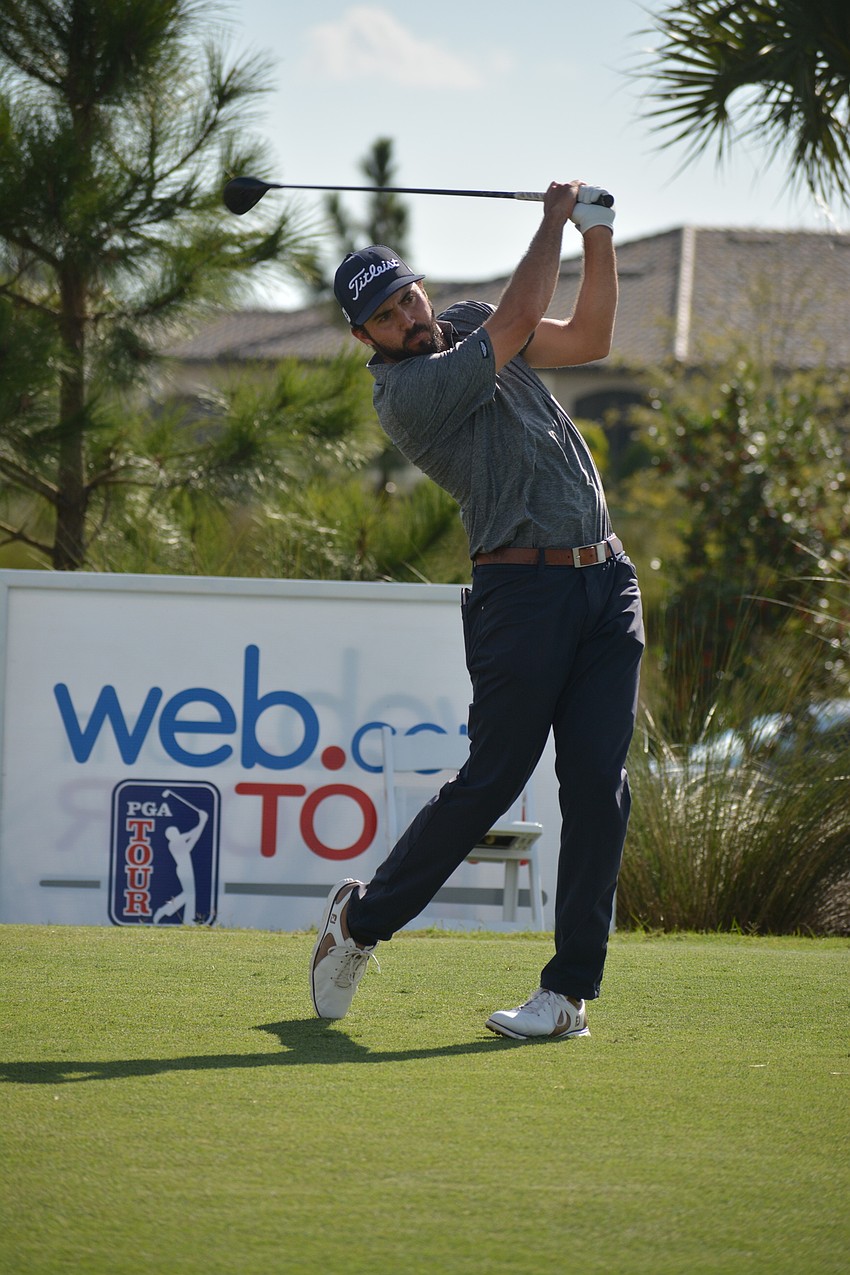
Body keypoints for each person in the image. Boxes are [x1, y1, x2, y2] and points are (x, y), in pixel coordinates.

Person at [310, 179, 644, 1041]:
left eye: (407, 295)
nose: (408, 316)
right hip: (521, 595)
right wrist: (551, 221)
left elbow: (591, 337)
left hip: (606, 582)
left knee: (600, 793)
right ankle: (359, 922)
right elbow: (520, 316)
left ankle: (567, 994)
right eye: (386, 315)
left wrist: (596, 234)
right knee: (492, 779)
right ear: (365, 339)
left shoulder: (459, 317)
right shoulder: (407, 392)